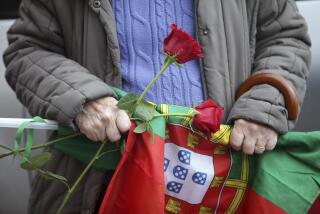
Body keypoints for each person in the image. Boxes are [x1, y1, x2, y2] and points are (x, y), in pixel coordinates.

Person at [3, 0, 311, 213]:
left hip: (219, 184)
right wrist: (82, 98)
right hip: (99, 181)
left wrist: (265, 100)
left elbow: (284, 35)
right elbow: (28, 49)